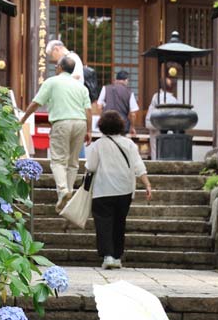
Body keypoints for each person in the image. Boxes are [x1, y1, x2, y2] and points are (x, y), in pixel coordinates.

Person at [20, 55, 92, 212]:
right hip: (80, 123)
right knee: (73, 162)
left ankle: (63, 190)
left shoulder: (52, 82)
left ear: (60, 67)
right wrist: (89, 130)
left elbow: (36, 103)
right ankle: (68, 192)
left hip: (61, 122)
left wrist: (23, 119)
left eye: (56, 65)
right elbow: (88, 109)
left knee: (58, 160)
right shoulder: (81, 87)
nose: (55, 67)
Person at [86, 111, 152, 269]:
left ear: (102, 126)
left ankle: (108, 256)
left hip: (103, 190)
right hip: (125, 190)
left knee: (103, 223)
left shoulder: (98, 145)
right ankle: (117, 256)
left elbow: (91, 167)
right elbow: (138, 166)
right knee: (119, 223)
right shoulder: (129, 144)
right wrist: (147, 185)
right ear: (121, 125)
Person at [98, 70, 139, 136]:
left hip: (107, 123)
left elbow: (99, 106)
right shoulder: (129, 92)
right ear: (126, 80)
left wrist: (102, 119)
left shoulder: (105, 88)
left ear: (116, 80)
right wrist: (132, 127)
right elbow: (133, 114)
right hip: (122, 124)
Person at [146, 78, 179, 160]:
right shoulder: (173, 99)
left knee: (155, 148)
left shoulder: (156, 96)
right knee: (165, 148)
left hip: (154, 123)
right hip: (164, 124)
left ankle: (155, 163)